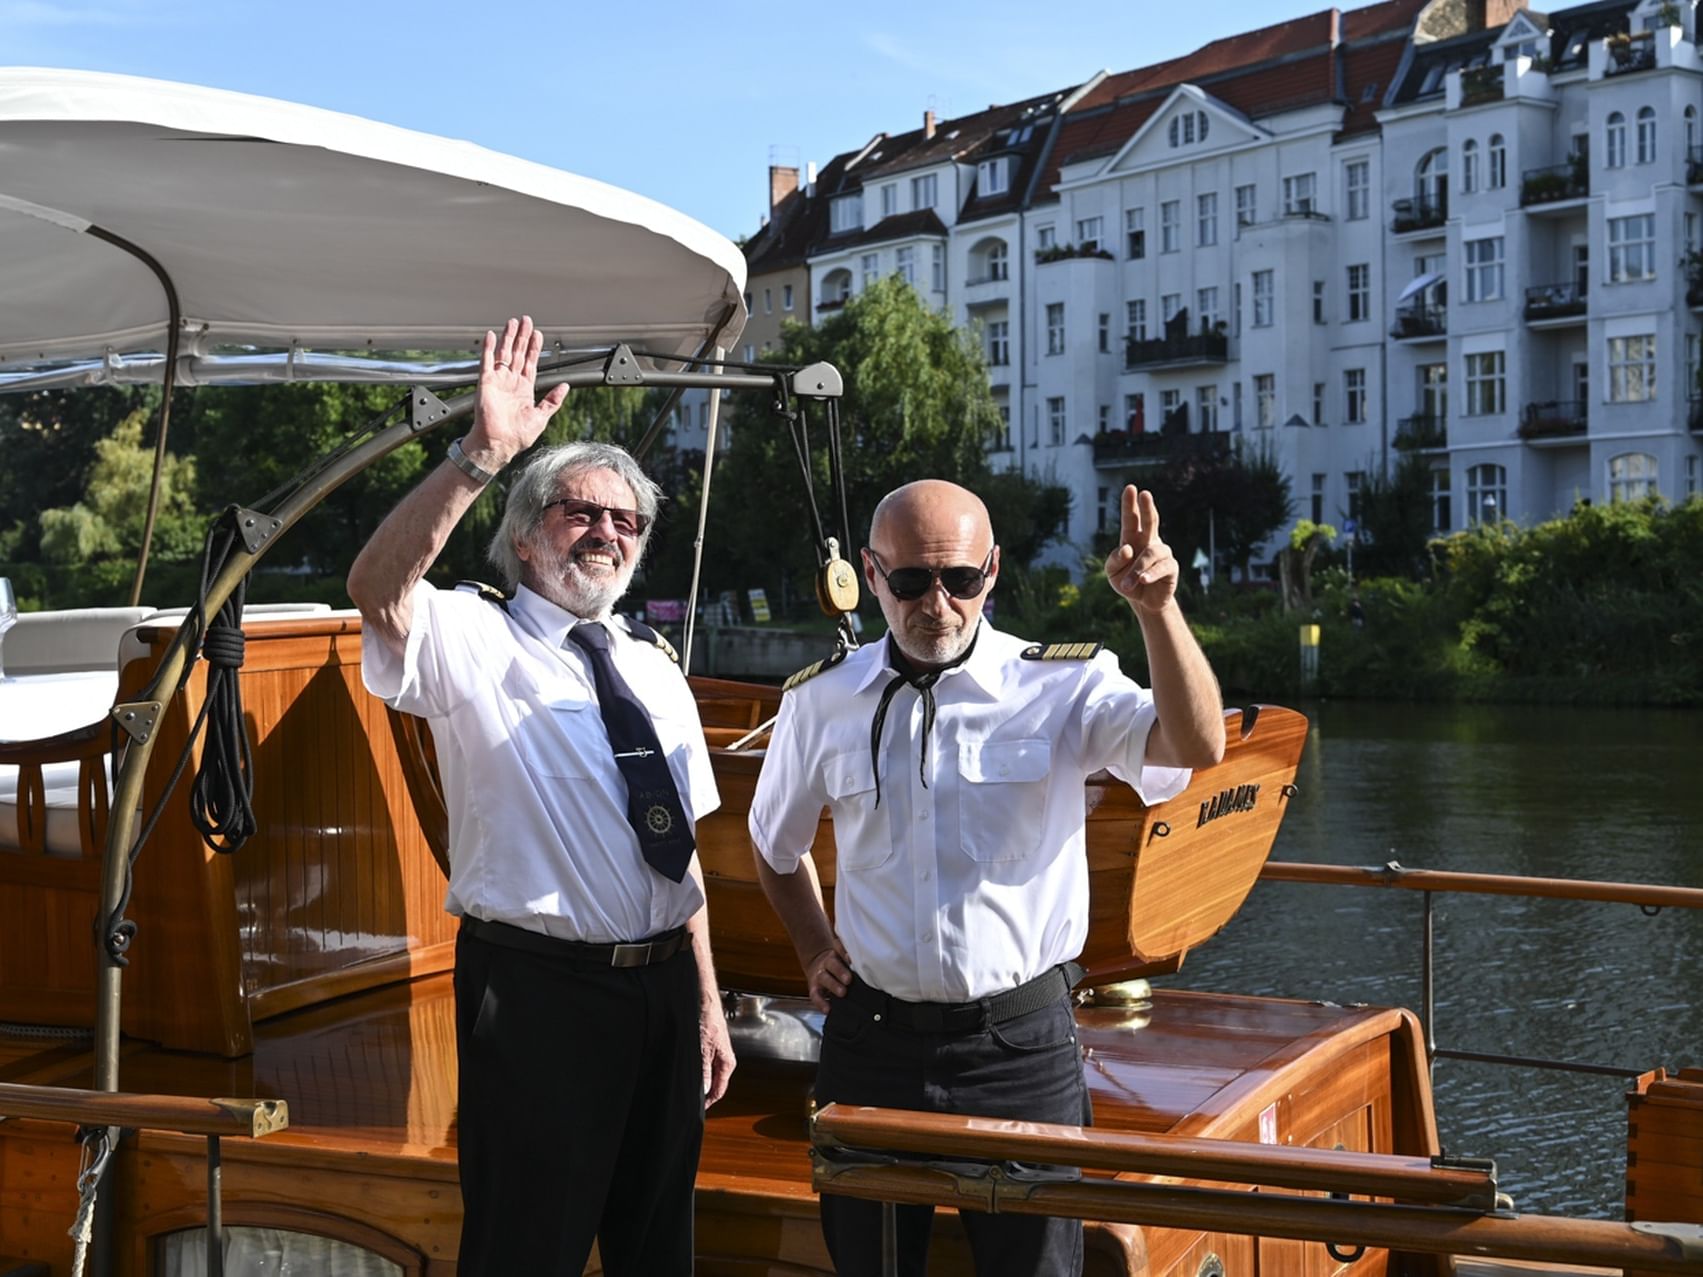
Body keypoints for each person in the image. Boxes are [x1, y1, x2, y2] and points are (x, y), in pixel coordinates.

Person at [750, 479, 1224, 1277]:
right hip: (870, 1043)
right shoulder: (823, 701)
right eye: (909, 581)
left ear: (992, 571)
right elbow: (771, 842)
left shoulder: (1061, 686)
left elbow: (1194, 745)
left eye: (959, 580)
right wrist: (812, 945)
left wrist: (1156, 611)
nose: (935, 603)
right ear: (871, 574)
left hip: (1017, 1048)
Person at [348, 316, 734, 1276]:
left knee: (658, 1253)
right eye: (578, 511)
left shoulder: (656, 671)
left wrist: (706, 1003)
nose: (604, 531)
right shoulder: (473, 640)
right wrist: (482, 454)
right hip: (536, 994)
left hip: (658, 993)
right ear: (524, 537)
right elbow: (375, 584)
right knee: (527, 1249)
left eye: (624, 521)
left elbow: (676, 857)